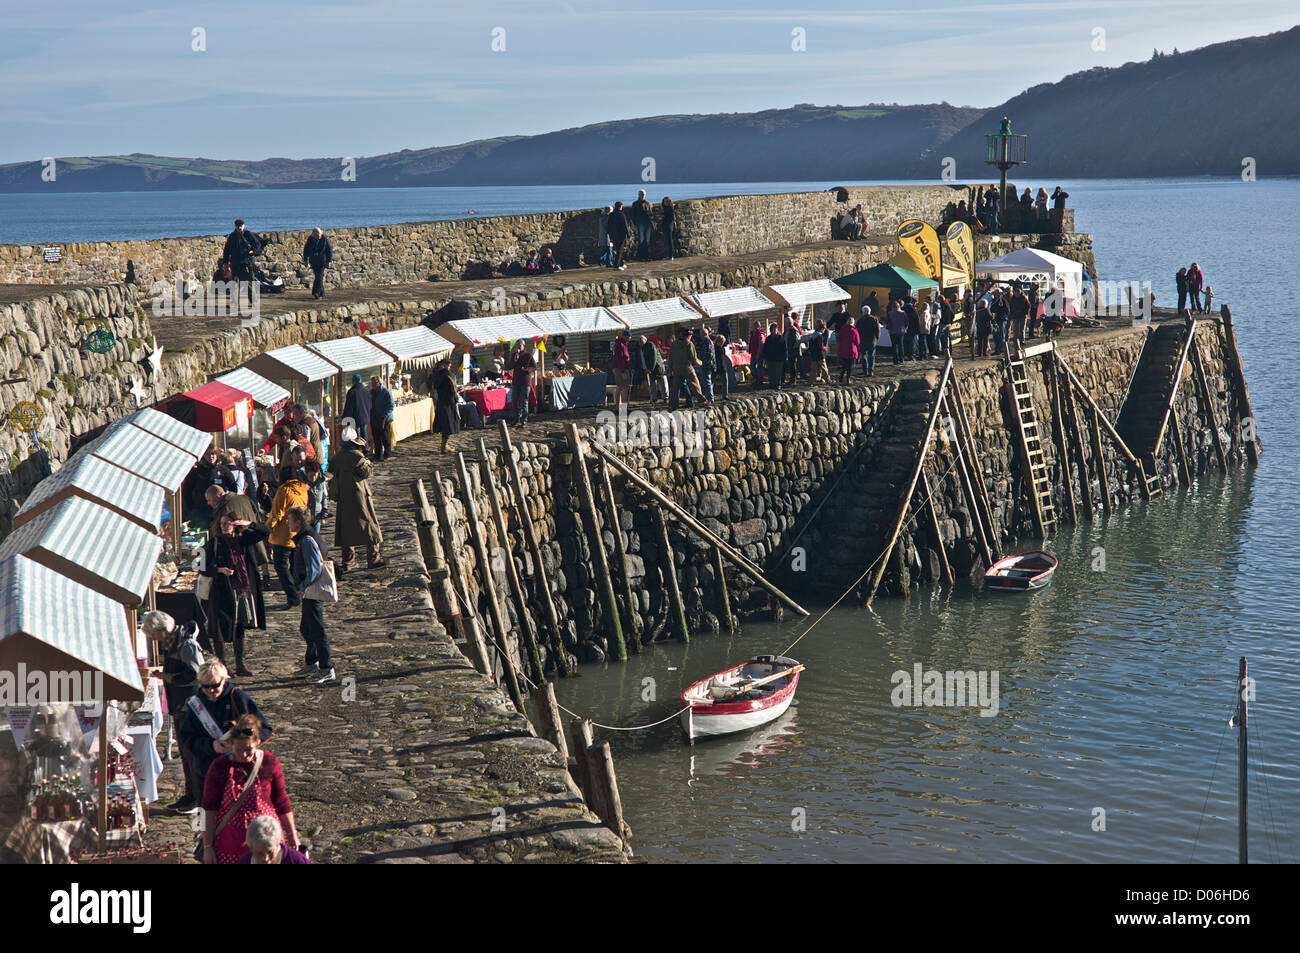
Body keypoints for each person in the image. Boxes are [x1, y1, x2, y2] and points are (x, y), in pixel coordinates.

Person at [179, 659, 273, 839]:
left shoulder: (238, 698)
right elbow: (187, 739)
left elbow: (265, 728)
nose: (211, 691)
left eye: (215, 686)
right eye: (206, 687)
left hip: (240, 773)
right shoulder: (196, 704)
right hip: (207, 770)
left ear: (224, 680)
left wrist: (248, 744)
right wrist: (211, 746)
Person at [201, 713, 298, 865]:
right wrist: (207, 847)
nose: (244, 754)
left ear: (258, 742)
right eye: (238, 749)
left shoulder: (269, 762)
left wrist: (292, 834)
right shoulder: (219, 767)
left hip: (266, 841)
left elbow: (281, 801)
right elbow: (208, 808)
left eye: (248, 749)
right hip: (230, 843)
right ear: (231, 744)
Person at [142, 610, 205, 813]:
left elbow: (196, 675)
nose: (153, 638)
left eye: (153, 634)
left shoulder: (186, 645)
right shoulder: (173, 644)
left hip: (190, 705)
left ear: (162, 630)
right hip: (179, 704)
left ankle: (199, 799)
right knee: (184, 753)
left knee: (192, 753)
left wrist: (168, 677)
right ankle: (190, 795)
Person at [199, 513, 269, 676]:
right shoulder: (214, 542)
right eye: (222, 523)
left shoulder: (243, 539)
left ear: (235, 525)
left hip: (241, 589)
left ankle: (240, 664)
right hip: (222, 591)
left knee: (239, 625)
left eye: (228, 523)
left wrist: (250, 523)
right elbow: (201, 566)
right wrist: (219, 570)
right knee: (219, 628)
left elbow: (265, 532)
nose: (225, 526)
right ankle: (222, 665)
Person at [284, 505, 334, 684]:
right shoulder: (307, 536)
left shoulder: (306, 540)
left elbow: (314, 568)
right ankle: (311, 662)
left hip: (312, 591)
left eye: (289, 520)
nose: (287, 523)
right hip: (309, 591)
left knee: (317, 630)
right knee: (306, 628)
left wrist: (303, 586)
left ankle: (326, 667)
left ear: (298, 522)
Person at [328, 431, 384, 572]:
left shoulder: (338, 457)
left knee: (346, 527)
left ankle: (348, 561)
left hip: (343, 497)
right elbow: (366, 472)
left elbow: (331, 470)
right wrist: (368, 460)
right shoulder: (357, 457)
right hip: (359, 496)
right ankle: (373, 558)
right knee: (370, 525)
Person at [267, 467, 308, 610]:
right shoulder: (303, 490)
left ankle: (293, 596)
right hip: (297, 532)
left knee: (280, 565)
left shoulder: (284, 490)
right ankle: (297, 592)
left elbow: (277, 513)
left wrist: (267, 528)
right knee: (293, 565)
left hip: (283, 534)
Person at [208, 484, 270, 569]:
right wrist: (251, 524)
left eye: (209, 500)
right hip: (254, 541)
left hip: (239, 546)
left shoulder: (224, 508)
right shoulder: (244, 498)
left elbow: (216, 530)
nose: (208, 503)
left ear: (218, 496)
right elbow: (257, 517)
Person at [221, 220, 262, 311]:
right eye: (237, 226)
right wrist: (226, 261)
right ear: (235, 226)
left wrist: (253, 251)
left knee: (249, 284)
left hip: (246, 262)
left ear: (244, 225)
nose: (239, 227)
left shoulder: (248, 234)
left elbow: (257, 245)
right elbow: (227, 249)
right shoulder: (232, 236)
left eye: (241, 225)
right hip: (235, 263)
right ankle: (234, 304)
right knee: (234, 284)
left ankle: (254, 303)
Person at [239, 815, 313, 864]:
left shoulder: (295, 860)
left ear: (277, 844)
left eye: (270, 852)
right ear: (251, 849)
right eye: (259, 853)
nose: (266, 859)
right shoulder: (245, 861)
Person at [668, 327, 704, 409]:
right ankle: (702, 400)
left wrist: (671, 368)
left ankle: (673, 405)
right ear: (688, 336)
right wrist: (701, 363)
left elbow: (670, 357)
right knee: (695, 384)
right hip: (687, 368)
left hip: (677, 368)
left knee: (675, 388)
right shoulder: (689, 344)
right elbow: (693, 358)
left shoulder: (674, 344)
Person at [432, 358, 461, 453]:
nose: (449, 368)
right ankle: (444, 446)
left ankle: (445, 444)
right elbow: (452, 390)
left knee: (445, 425)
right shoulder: (447, 375)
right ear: (444, 365)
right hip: (448, 402)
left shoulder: (436, 375)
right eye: (448, 366)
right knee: (448, 425)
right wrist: (456, 399)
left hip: (441, 402)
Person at [508, 339, 536, 425]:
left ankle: (524, 419)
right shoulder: (514, 355)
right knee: (514, 400)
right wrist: (515, 360)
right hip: (516, 380)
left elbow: (534, 367)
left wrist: (527, 370)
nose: (519, 346)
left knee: (524, 401)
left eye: (520, 345)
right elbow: (510, 366)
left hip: (525, 380)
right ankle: (516, 418)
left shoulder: (528, 355)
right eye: (518, 345)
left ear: (524, 345)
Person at [368, 376, 395, 461]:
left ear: (378, 383)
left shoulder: (385, 392)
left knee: (385, 437)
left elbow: (391, 405)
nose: (373, 385)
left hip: (384, 417)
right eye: (372, 383)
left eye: (374, 383)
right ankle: (378, 454)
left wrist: (384, 415)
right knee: (376, 437)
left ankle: (387, 454)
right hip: (374, 417)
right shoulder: (371, 392)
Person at [302, 227, 333, 299]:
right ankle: (322, 293)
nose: (319, 237)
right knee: (318, 276)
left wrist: (328, 261)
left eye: (320, 236)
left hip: (322, 260)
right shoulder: (310, 239)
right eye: (317, 236)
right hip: (313, 260)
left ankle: (315, 292)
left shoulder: (324, 239)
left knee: (319, 276)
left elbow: (329, 250)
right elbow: (306, 250)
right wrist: (305, 260)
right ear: (314, 235)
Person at [342, 373, 372, 441]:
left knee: (356, 436)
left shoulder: (352, 392)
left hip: (355, 417)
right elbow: (370, 405)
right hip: (365, 417)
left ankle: (359, 450)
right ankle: (365, 449)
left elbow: (349, 406)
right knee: (364, 434)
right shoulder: (366, 391)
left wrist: (345, 417)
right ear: (360, 381)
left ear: (353, 381)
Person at [301, 460, 326, 535]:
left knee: (316, 536)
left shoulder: (321, 482)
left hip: (317, 515)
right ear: (307, 473)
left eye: (315, 475)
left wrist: (324, 509)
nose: (313, 478)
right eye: (311, 476)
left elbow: (324, 497)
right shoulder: (303, 484)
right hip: (305, 517)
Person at [761, 322, 786, 390]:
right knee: (771, 372)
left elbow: (784, 348)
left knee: (778, 372)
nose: (774, 330)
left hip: (779, 358)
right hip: (770, 358)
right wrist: (765, 358)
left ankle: (777, 384)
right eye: (773, 329)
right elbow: (765, 349)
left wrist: (784, 358)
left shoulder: (781, 338)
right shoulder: (768, 339)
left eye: (775, 329)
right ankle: (771, 384)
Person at [642, 335, 668, 403]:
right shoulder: (643, 347)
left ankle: (665, 398)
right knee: (653, 384)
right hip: (651, 369)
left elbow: (654, 358)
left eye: (641, 342)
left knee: (662, 383)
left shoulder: (651, 346)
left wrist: (650, 369)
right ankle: (654, 398)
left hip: (658, 368)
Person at [610, 331, 632, 406]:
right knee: (624, 388)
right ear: (625, 337)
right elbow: (620, 359)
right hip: (620, 368)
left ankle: (618, 407)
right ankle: (623, 408)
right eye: (629, 336)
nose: (630, 338)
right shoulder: (621, 345)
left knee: (619, 387)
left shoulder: (620, 344)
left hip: (618, 368)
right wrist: (623, 371)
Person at [693, 327, 715, 401]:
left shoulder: (708, 343)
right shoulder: (703, 342)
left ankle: (710, 399)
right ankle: (709, 397)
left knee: (707, 382)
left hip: (707, 365)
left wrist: (703, 363)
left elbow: (709, 355)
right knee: (707, 382)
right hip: (705, 364)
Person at [836, 315, 860, 383]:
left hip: (843, 350)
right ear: (853, 323)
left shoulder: (842, 329)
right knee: (850, 366)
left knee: (844, 365)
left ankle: (841, 376)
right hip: (851, 350)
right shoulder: (854, 331)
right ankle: (847, 379)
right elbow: (857, 342)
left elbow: (838, 339)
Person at [631, 189, 653, 260]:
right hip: (640, 223)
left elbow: (650, 213)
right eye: (641, 194)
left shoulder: (647, 203)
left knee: (647, 240)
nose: (642, 195)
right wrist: (634, 223)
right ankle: (641, 257)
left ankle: (647, 256)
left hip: (648, 223)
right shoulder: (635, 204)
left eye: (643, 194)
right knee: (641, 240)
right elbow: (633, 215)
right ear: (639, 195)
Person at [858, 306, 880, 376]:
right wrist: (877, 338)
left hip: (863, 340)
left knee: (864, 355)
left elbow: (857, 330)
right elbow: (878, 330)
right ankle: (871, 370)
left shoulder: (860, 320)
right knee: (871, 355)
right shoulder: (874, 319)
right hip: (872, 340)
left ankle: (865, 370)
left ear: (863, 312)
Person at [607, 202, 629, 269]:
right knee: (620, 250)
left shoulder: (611, 214)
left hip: (613, 235)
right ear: (620, 207)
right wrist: (628, 234)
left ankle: (621, 263)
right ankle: (616, 265)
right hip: (621, 235)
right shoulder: (621, 214)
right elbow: (625, 225)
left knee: (618, 249)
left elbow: (609, 226)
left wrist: (610, 235)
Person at [713, 333, 734, 397]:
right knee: (714, 382)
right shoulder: (715, 349)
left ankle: (725, 395)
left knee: (724, 382)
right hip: (718, 366)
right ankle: (723, 395)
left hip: (721, 366)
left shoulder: (720, 348)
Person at [887, 300, 908, 365]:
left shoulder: (889, 313)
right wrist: (905, 328)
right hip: (901, 331)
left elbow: (886, 321)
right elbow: (906, 322)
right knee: (900, 345)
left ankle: (895, 360)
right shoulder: (903, 313)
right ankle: (901, 359)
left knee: (894, 346)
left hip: (892, 331)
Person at [783, 314, 801, 383]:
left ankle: (793, 380)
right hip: (787, 350)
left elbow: (797, 341)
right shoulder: (787, 330)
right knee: (790, 366)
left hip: (792, 351)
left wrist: (793, 349)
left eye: (785, 323)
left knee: (793, 366)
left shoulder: (794, 330)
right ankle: (791, 379)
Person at [748, 322, 766, 388]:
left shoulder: (760, 334)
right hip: (753, 353)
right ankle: (756, 378)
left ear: (757, 326)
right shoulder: (753, 334)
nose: (752, 328)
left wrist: (758, 354)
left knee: (759, 367)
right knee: (752, 366)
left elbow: (761, 345)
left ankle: (760, 380)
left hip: (759, 353)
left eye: (754, 327)